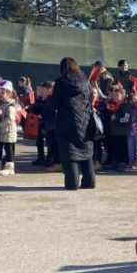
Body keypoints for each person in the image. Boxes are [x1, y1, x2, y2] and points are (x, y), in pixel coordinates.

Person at [53, 57, 95, 190]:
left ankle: (72, 183)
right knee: (86, 150)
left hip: (67, 121)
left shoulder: (60, 83)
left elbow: (56, 103)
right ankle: (89, 182)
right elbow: (91, 98)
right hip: (85, 119)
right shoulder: (85, 81)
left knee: (70, 153)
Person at [0, 81, 20, 176]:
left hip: (8, 132)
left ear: (9, 93)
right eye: (0, 92)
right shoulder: (2, 104)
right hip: (2, 132)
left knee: (9, 149)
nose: (0, 95)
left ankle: (10, 167)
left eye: (2, 93)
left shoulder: (11, 106)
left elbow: (9, 120)